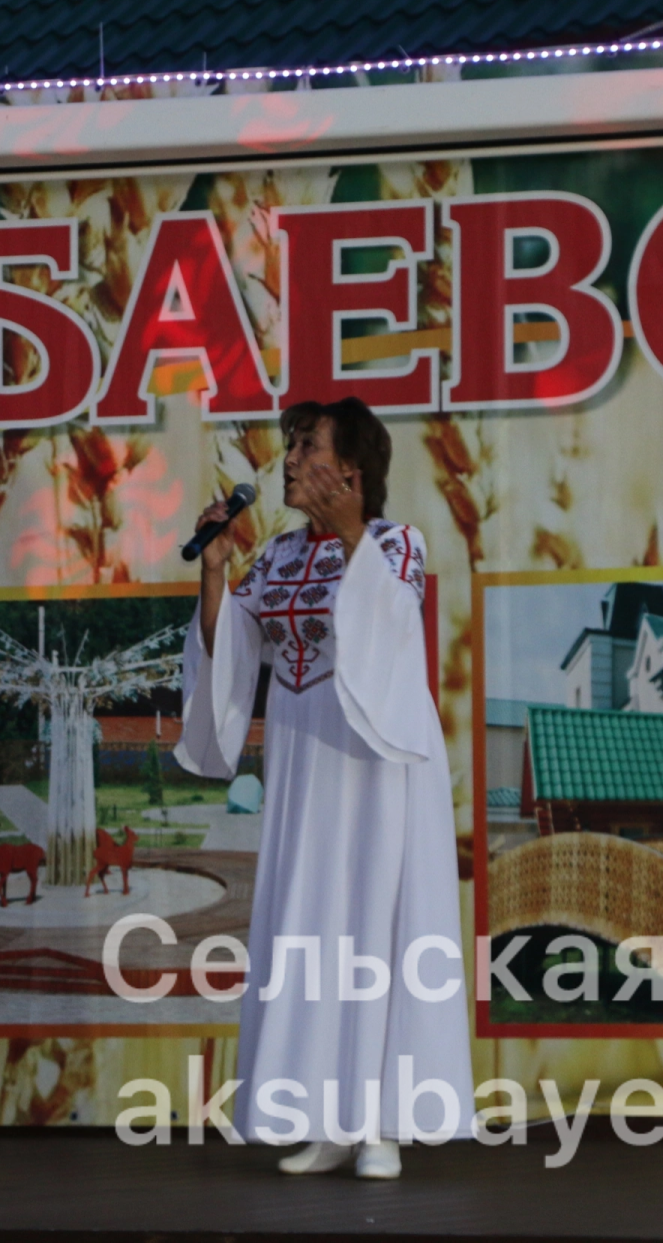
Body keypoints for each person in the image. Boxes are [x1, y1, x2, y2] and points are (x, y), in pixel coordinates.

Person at [174, 396, 472, 1179]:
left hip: (377, 769)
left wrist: (348, 532)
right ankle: (325, 1118)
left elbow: (385, 623)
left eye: (306, 446)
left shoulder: (395, 544)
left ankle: (379, 1124)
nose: (289, 461)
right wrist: (215, 570)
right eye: (290, 445)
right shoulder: (272, 558)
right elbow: (229, 653)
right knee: (313, 934)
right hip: (306, 766)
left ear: (350, 469)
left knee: (376, 934)